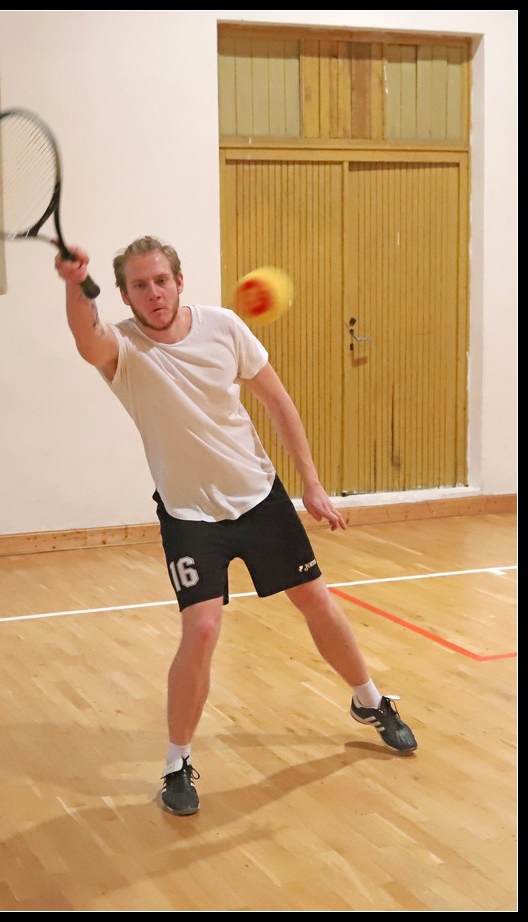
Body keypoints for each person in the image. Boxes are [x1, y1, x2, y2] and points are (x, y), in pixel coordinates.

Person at [54, 236, 417, 817]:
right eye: (140, 285)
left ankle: (370, 700)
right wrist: (76, 284)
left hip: (258, 498)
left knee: (316, 602)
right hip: (189, 516)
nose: (154, 293)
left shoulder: (224, 327)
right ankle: (176, 763)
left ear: (179, 282)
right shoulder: (122, 348)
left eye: (162, 280)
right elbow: (84, 337)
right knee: (201, 630)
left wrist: (311, 483)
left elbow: (278, 401)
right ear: (124, 294)